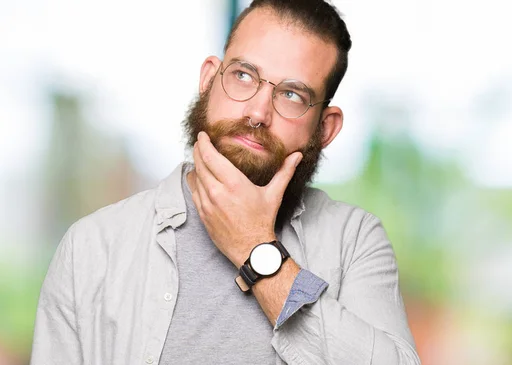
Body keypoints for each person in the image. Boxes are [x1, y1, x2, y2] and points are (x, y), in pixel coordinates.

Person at [31, 0, 421, 364]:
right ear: (208, 80)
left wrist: (255, 248)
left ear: (325, 128)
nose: (257, 112)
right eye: (243, 75)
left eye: (291, 95)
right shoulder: (93, 247)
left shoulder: (353, 241)